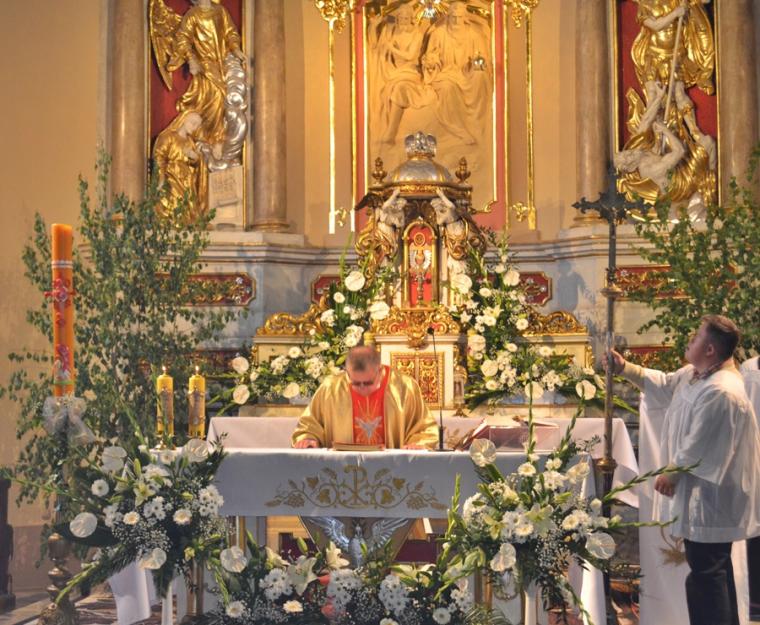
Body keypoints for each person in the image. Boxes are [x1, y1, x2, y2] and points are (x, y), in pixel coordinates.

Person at [609, 315, 760, 625]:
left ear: (710, 350)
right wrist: (625, 368)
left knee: (708, 574)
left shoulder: (722, 390)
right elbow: (664, 385)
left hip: (711, 499)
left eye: (697, 336)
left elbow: (701, 442)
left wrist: (673, 472)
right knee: (712, 571)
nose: (690, 340)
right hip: (702, 496)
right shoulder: (698, 375)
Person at [292, 345, 438, 449]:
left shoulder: (404, 387)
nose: (362, 389)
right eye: (356, 383)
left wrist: (417, 443)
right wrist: (308, 439)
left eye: (368, 383)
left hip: (393, 468)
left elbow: (423, 427)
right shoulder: (330, 388)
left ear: (379, 370)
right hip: (342, 469)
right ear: (347, 372)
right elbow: (310, 424)